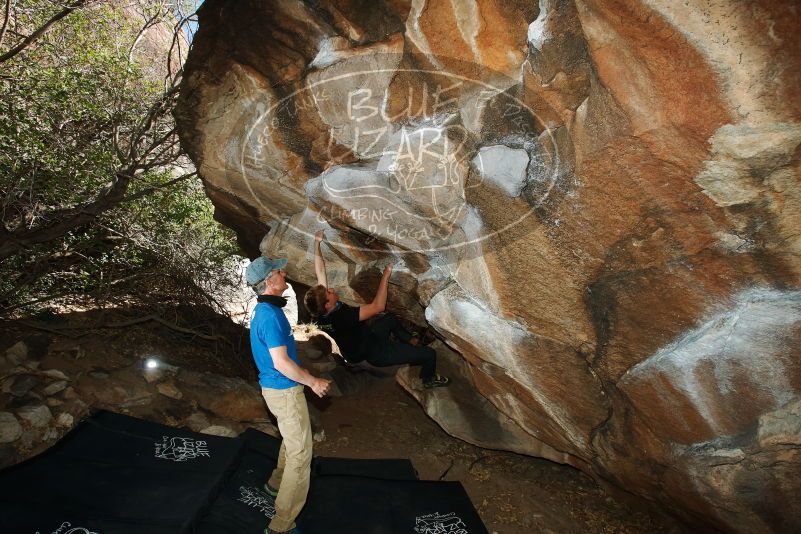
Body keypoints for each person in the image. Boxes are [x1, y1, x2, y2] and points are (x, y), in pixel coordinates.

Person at [246, 256, 332, 534]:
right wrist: (313, 382)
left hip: (279, 390)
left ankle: (274, 485)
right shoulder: (269, 316)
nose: (285, 274)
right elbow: (281, 363)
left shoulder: (265, 311)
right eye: (279, 272)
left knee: (293, 438)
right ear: (270, 281)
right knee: (301, 454)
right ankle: (281, 525)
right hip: (283, 390)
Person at [303, 230, 449, 388]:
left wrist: (316, 243)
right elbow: (378, 306)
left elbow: (320, 273)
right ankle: (428, 379)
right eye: (329, 292)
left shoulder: (318, 312)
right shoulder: (342, 317)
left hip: (364, 340)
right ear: (328, 304)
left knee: (390, 320)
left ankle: (411, 340)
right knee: (429, 354)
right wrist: (385, 276)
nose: (331, 289)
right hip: (376, 352)